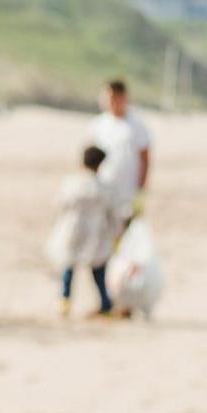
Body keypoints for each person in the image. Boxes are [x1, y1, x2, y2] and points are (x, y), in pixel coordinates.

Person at [47, 145, 117, 318]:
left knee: (69, 268)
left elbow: (60, 204)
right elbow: (112, 212)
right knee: (98, 270)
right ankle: (105, 302)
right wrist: (115, 233)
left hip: (73, 229)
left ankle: (65, 301)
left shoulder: (71, 183)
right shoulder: (104, 186)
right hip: (95, 232)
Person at [88, 78, 152, 227]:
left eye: (113, 97)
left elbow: (145, 159)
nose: (109, 101)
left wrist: (141, 191)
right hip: (103, 186)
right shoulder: (98, 124)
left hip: (128, 189)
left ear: (123, 97)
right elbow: (89, 158)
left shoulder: (137, 124)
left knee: (127, 230)